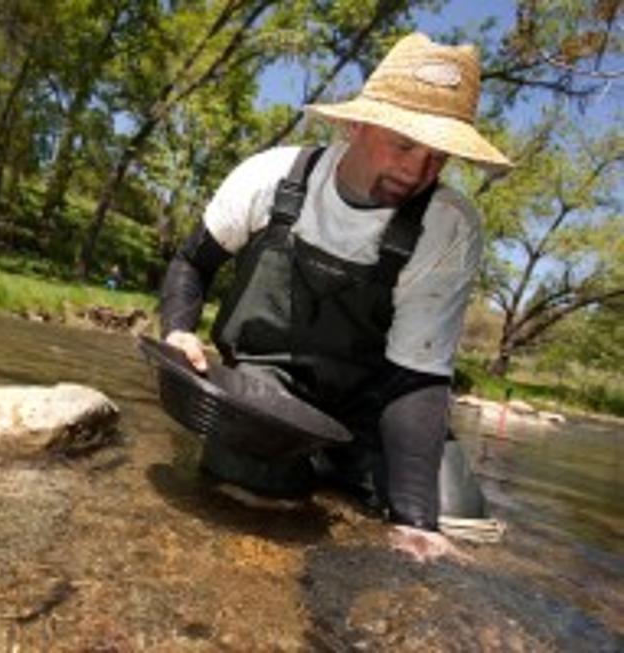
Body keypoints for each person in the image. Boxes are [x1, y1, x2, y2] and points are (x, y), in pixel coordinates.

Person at [158, 33, 512, 563]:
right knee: (250, 480)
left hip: (377, 403)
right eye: (404, 145)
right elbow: (192, 263)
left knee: (454, 516)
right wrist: (177, 330)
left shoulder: (449, 224)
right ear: (354, 125)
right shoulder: (270, 176)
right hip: (267, 388)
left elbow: (417, 377)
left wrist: (416, 522)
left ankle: (338, 470)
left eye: (437, 157)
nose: (417, 172)